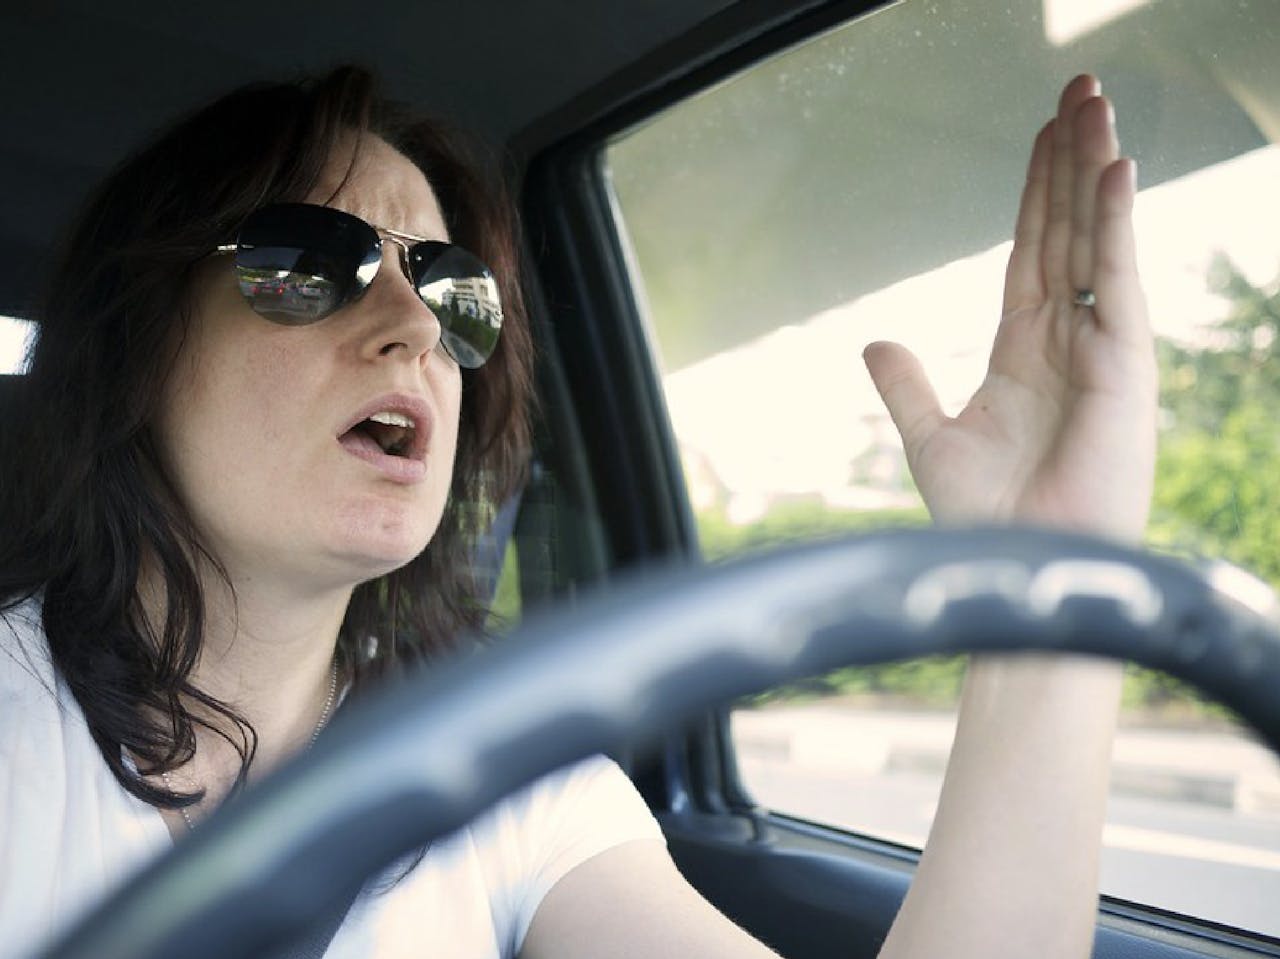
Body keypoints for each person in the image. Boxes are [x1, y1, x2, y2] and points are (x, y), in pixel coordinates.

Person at [0, 65, 1155, 959]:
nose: (412, 324)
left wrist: (1049, 577)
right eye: (312, 257)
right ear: (135, 345)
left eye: (451, 289)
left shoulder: (515, 784)